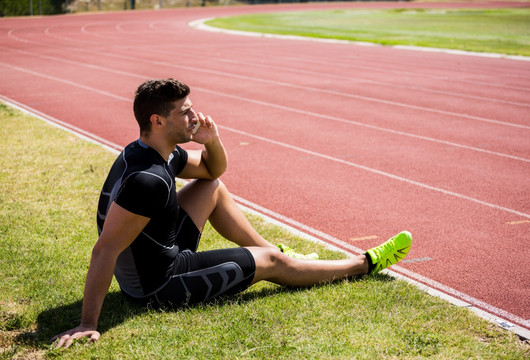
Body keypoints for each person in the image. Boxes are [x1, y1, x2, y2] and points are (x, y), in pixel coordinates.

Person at [52, 78, 412, 348]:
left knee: (210, 189)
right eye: (184, 112)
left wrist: (213, 141)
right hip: (158, 286)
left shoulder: (151, 151)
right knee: (270, 263)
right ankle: (364, 263)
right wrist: (88, 322)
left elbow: (212, 172)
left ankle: (282, 252)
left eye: (191, 107)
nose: (194, 116)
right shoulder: (148, 180)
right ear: (158, 121)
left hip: (162, 252)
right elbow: (105, 249)